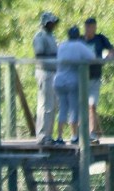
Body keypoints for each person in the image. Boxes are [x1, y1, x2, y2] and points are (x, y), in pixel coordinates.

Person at [53, 26, 95, 144]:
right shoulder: (79, 45)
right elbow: (92, 57)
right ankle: (74, 136)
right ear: (78, 36)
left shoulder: (61, 45)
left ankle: (60, 137)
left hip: (59, 80)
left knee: (62, 108)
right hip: (72, 80)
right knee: (73, 109)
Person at [84, 17, 114, 143]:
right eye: (86, 26)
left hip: (95, 77)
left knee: (92, 105)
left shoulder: (100, 39)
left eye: (91, 26)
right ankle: (79, 134)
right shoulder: (80, 40)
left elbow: (113, 51)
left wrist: (105, 59)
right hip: (80, 78)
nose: (88, 29)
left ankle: (92, 133)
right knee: (81, 106)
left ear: (95, 27)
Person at [33, 12, 59, 145]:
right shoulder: (40, 36)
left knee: (53, 105)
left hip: (53, 72)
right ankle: (42, 135)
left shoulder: (52, 37)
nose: (53, 25)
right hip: (44, 73)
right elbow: (40, 54)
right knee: (45, 104)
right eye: (51, 22)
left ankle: (48, 135)